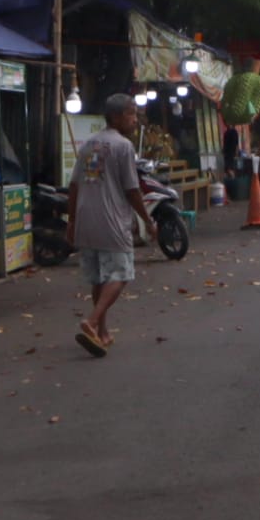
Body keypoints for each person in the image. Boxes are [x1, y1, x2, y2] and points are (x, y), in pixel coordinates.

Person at [66, 93, 154, 357]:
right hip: (112, 220)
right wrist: (148, 220)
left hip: (86, 220)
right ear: (116, 117)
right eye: (132, 114)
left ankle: (102, 333)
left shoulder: (89, 145)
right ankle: (91, 321)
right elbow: (132, 189)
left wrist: (71, 222)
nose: (135, 120)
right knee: (121, 274)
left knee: (99, 278)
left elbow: (73, 185)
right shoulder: (123, 146)